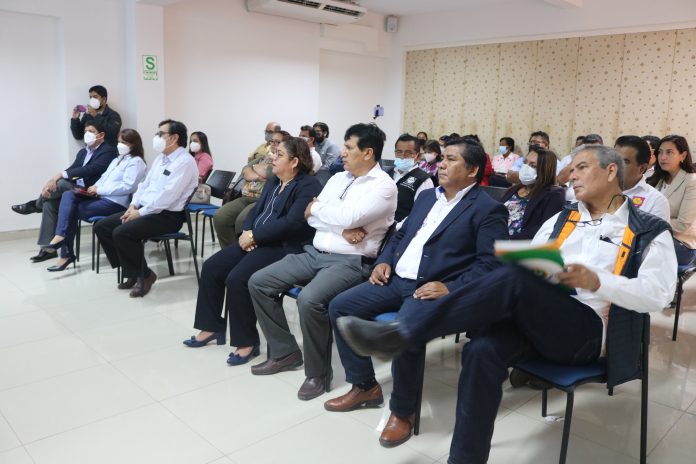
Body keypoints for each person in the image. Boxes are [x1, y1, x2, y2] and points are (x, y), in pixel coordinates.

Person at [335, 145, 677, 462]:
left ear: (611, 171)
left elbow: (659, 294)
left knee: (514, 279)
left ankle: (407, 332)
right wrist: (531, 266)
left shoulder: (647, 229)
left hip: (586, 332)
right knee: (480, 350)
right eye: (571, 169)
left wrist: (599, 281)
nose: (571, 175)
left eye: (581, 168)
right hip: (538, 320)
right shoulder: (562, 220)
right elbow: (531, 267)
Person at [323, 138, 509, 445]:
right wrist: (384, 261)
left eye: (451, 159)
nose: (442, 164)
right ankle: (364, 385)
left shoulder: (488, 210)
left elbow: (491, 264)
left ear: (473, 170)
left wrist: (451, 287)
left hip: (430, 288)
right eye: (443, 158)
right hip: (396, 280)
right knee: (340, 306)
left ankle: (402, 411)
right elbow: (399, 236)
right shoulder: (426, 197)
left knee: (405, 329)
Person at [247, 123, 397, 401]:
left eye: (349, 147)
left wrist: (321, 211)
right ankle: (285, 352)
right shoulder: (338, 178)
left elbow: (347, 216)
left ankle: (317, 374)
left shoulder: (384, 186)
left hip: (350, 261)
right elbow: (309, 216)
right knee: (259, 282)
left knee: (309, 300)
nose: (342, 153)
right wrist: (340, 227)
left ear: (368, 153)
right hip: (315, 252)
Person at [183, 137, 322, 365]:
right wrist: (248, 230)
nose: (272, 158)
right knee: (212, 267)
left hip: (283, 246)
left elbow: (293, 224)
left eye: (279, 155)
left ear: (295, 161)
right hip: (257, 239)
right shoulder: (275, 180)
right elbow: (256, 209)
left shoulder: (308, 185)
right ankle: (211, 327)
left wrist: (255, 236)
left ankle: (247, 342)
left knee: (237, 278)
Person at [94, 119, 198, 297]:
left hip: (168, 216)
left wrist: (139, 213)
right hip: (146, 209)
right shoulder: (161, 158)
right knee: (102, 227)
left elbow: (167, 196)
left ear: (174, 138)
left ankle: (145, 275)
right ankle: (132, 271)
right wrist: (133, 205)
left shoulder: (184, 162)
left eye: (161, 134)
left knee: (122, 233)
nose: (156, 137)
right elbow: (144, 185)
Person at [11, 121, 117, 263]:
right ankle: (48, 249)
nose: (87, 134)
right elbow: (72, 170)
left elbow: (91, 169)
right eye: (85, 131)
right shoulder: (83, 152)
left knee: (60, 183)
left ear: (101, 135)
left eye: (91, 131)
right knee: (49, 204)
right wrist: (52, 181)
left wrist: (59, 176)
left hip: (92, 193)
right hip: (77, 191)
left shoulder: (108, 151)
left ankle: (36, 205)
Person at [43, 129, 147, 271]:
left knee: (70, 211)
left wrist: (100, 190)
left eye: (124, 142)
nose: (120, 145)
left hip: (116, 204)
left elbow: (128, 187)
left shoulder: (137, 162)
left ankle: (64, 252)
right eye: (119, 142)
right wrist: (95, 187)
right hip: (101, 198)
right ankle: (61, 242)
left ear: (134, 145)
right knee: (68, 195)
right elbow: (104, 177)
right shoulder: (117, 159)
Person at [213, 130, 290, 248]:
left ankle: (243, 252)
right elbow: (245, 170)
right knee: (220, 217)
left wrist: (255, 169)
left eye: (277, 142)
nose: (273, 144)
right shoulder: (263, 157)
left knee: (241, 221)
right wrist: (258, 175)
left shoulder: (283, 162)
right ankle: (229, 250)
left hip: (262, 199)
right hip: (246, 196)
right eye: (272, 141)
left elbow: (270, 173)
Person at [647, 135, 696, 265]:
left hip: (680, 244)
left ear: (683, 156)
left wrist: (648, 225)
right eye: (660, 152)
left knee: (636, 247)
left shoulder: (692, 181)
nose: (663, 157)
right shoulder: (658, 179)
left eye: (669, 152)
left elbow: (682, 224)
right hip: (654, 236)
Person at [500, 147, 564, 239]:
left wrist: (506, 241)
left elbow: (542, 230)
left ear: (544, 170)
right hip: (494, 237)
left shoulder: (554, 194)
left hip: (518, 244)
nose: (526, 167)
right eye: (525, 162)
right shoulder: (514, 189)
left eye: (533, 166)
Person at [615, 135, 670, 221]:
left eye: (624, 162)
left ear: (642, 168)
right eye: (613, 159)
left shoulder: (655, 201)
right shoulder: (599, 190)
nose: (614, 166)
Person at [386, 134, 434, 226]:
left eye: (408, 153)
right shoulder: (387, 174)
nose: (402, 156)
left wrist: (396, 228)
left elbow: (421, 214)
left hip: (400, 229)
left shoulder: (423, 180)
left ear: (418, 156)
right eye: (399, 152)